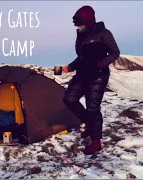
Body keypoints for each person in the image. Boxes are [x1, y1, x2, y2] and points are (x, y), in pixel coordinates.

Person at [62, 5, 120, 155]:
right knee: (69, 98)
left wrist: (101, 63)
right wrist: (70, 67)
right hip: (82, 74)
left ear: (88, 21)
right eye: (76, 24)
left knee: (93, 108)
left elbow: (115, 52)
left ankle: (96, 142)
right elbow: (81, 57)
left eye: (80, 24)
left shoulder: (104, 34)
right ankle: (88, 122)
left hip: (98, 76)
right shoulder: (81, 35)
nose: (78, 27)